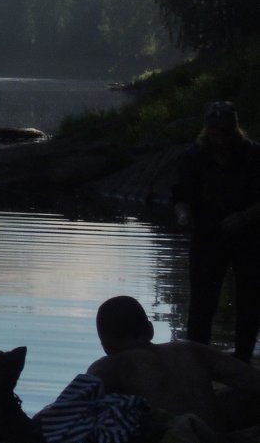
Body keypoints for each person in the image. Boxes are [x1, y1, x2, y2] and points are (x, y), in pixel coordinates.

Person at [85, 295, 260, 437]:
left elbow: (74, 407)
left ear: (106, 345)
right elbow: (251, 379)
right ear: (150, 329)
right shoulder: (189, 349)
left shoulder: (107, 367)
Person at [172, 101, 260, 361]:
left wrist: (243, 217)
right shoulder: (193, 157)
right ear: (206, 130)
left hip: (250, 237)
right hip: (207, 235)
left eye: (225, 132)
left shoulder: (254, 155)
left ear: (235, 129)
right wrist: (183, 214)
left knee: (250, 301)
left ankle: (243, 359)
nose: (219, 139)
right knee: (201, 302)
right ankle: (196, 361)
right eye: (214, 132)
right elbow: (181, 195)